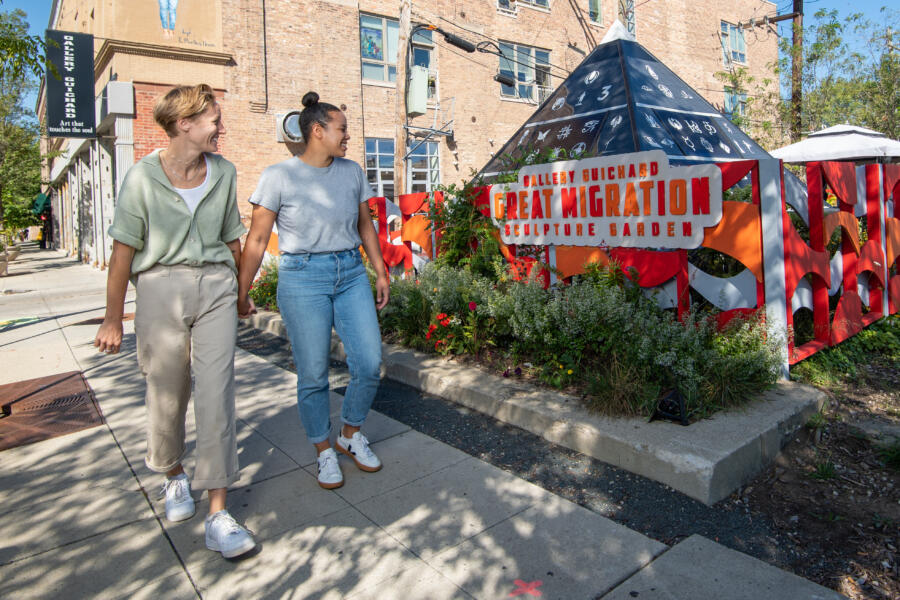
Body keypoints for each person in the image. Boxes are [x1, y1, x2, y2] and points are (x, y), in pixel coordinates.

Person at [94, 83, 255, 558]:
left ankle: (219, 513)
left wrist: (243, 293)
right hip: (159, 287)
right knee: (167, 389)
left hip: (216, 289)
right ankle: (173, 475)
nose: (219, 127)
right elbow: (123, 250)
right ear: (184, 123)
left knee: (215, 390)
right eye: (213, 119)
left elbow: (232, 239)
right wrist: (111, 317)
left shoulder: (223, 171)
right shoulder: (142, 177)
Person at [238, 91, 389, 490]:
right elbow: (256, 240)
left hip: (350, 272)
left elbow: (364, 225)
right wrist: (242, 289)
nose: (348, 137)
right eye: (342, 130)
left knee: (370, 362)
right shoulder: (278, 176)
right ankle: (324, 450)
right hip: (302, 276)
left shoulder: (352, 171)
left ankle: (350, 435)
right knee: (313, 372)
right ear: (318, 131)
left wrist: (380, 269)